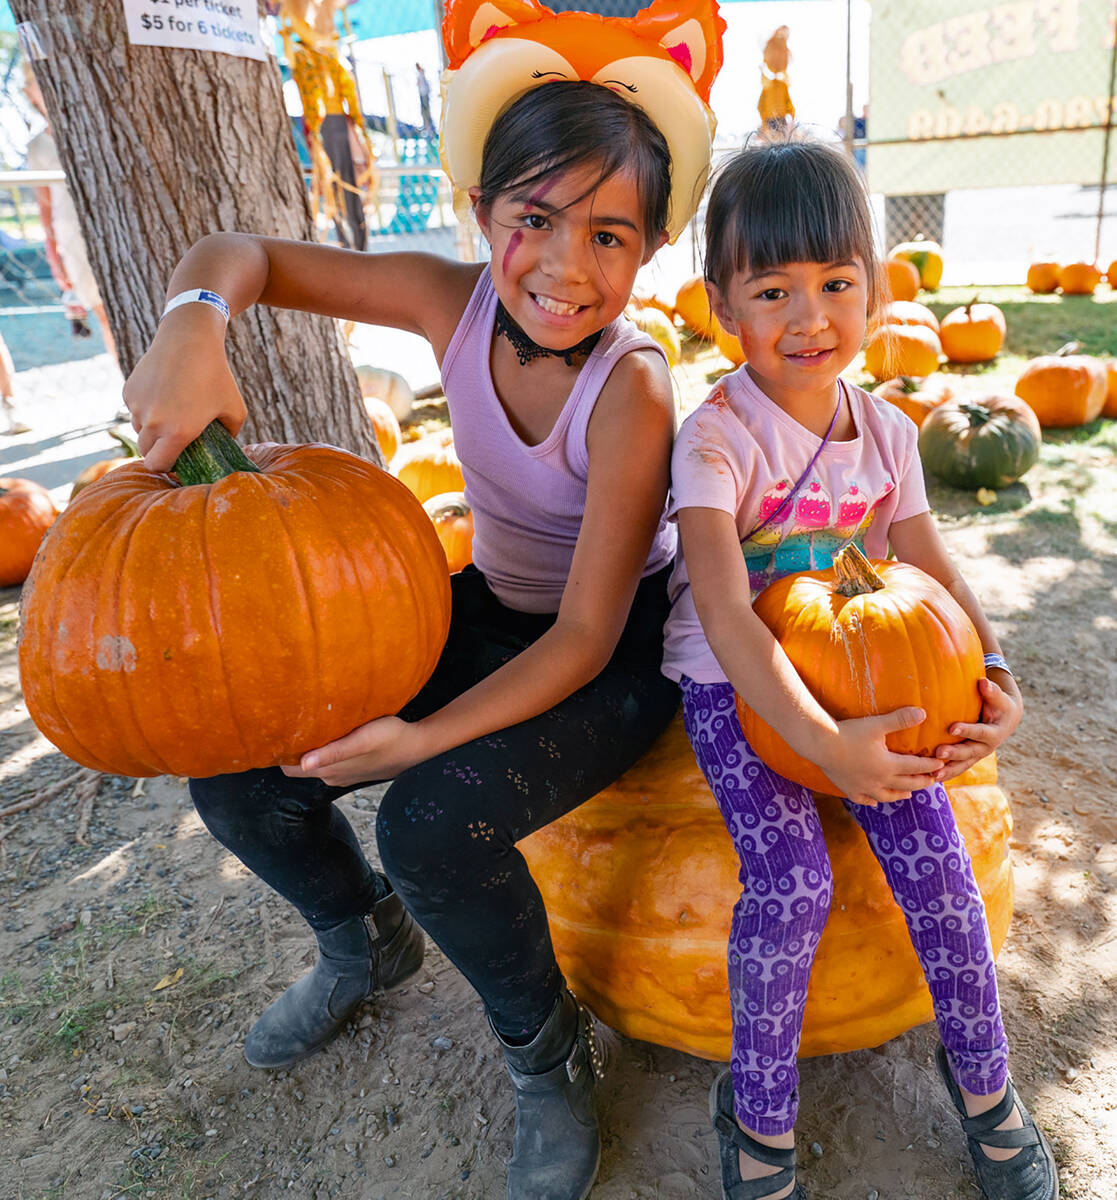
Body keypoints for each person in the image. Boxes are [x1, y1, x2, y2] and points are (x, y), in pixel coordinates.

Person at [123, 77, 693, 1200]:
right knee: (239, 779)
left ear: (653, 248)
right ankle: (362, 938)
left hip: (616, 646)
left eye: (607, 234)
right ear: (480, 210)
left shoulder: (633, 390)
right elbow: (242, 251)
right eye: (533, 219)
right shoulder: (451, 301)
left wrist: (416, 744)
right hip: (486, 601)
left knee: (432, 824)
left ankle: (545, 1052)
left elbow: (582, 635)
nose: (564, 267)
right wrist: (193, 324)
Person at [661, 137, 1057, 1200]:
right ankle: (757, 1117)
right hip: (736, 688)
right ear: (720, 308)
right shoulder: (712, 441)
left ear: (876, 292)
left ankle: (984, 1088)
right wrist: (819, 743)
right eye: (773, 289)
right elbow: (723, 612)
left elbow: (925, 561)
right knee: (789, 886)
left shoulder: (884, 429)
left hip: (862, 673)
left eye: (837, 284)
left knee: (937, 864)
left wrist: (992, 672)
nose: (809, 317)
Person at [23, 64, 117, 362]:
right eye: (36, 82)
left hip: (114, 227)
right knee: (106, 315)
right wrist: (54, 256)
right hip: (73, 236)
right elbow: (45, 205)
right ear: (30, 93)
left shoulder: (93, 128)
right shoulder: (38, 147)